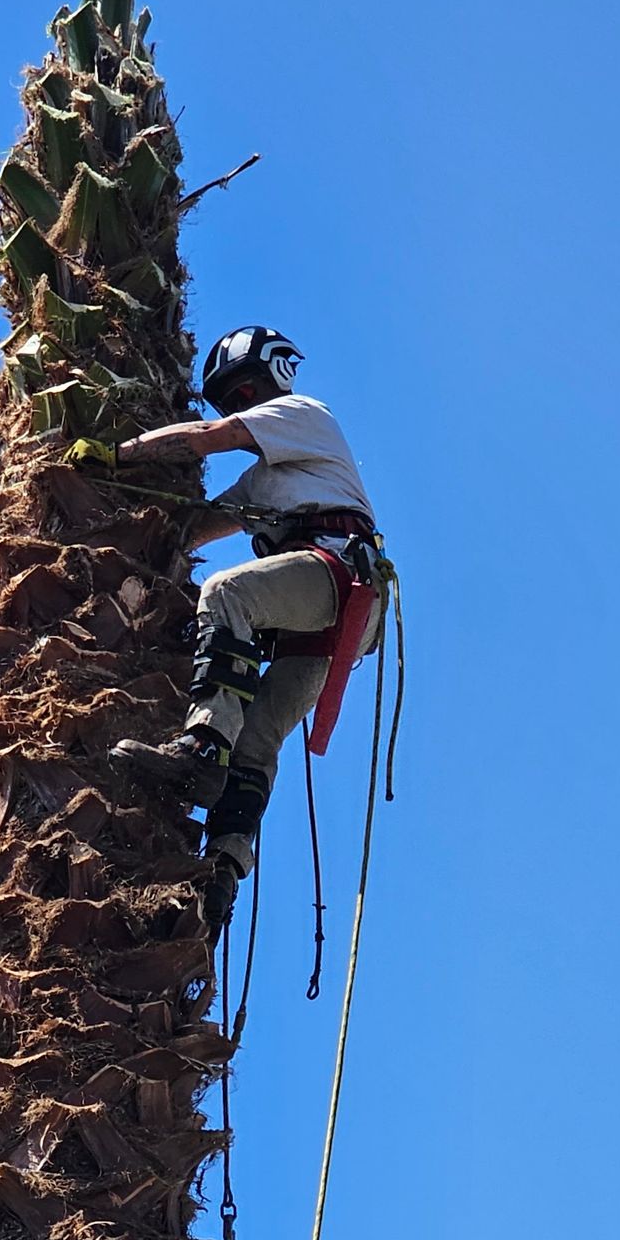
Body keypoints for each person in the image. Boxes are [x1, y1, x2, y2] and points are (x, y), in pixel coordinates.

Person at [92, 328, 382, 929]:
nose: (242, 408)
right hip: (330, 623)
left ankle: (200, 749)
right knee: (256, 738)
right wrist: (138, 530)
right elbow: (198, 529)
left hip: (336, 573)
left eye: (246, 391)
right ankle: (221, 871)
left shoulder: (303, 414)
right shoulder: (264, 481)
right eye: (233, 400)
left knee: (228, 592)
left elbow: (204, 440)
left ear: (274, 379)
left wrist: (117, 455)